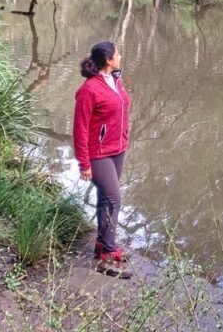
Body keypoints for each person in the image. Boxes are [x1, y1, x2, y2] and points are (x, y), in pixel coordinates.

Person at [73, 40, 133, 278]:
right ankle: (107, 256)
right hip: (98, 153)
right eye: (117, 53)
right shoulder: (88, 89)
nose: (120, 56)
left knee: (106, 200)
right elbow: (80, 129)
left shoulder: (115, 80)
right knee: (114, 199)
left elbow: (121, 108)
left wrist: (124, 136)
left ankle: (102, 245)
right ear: (108, 60)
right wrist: (84, 163)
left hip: (118, 148)